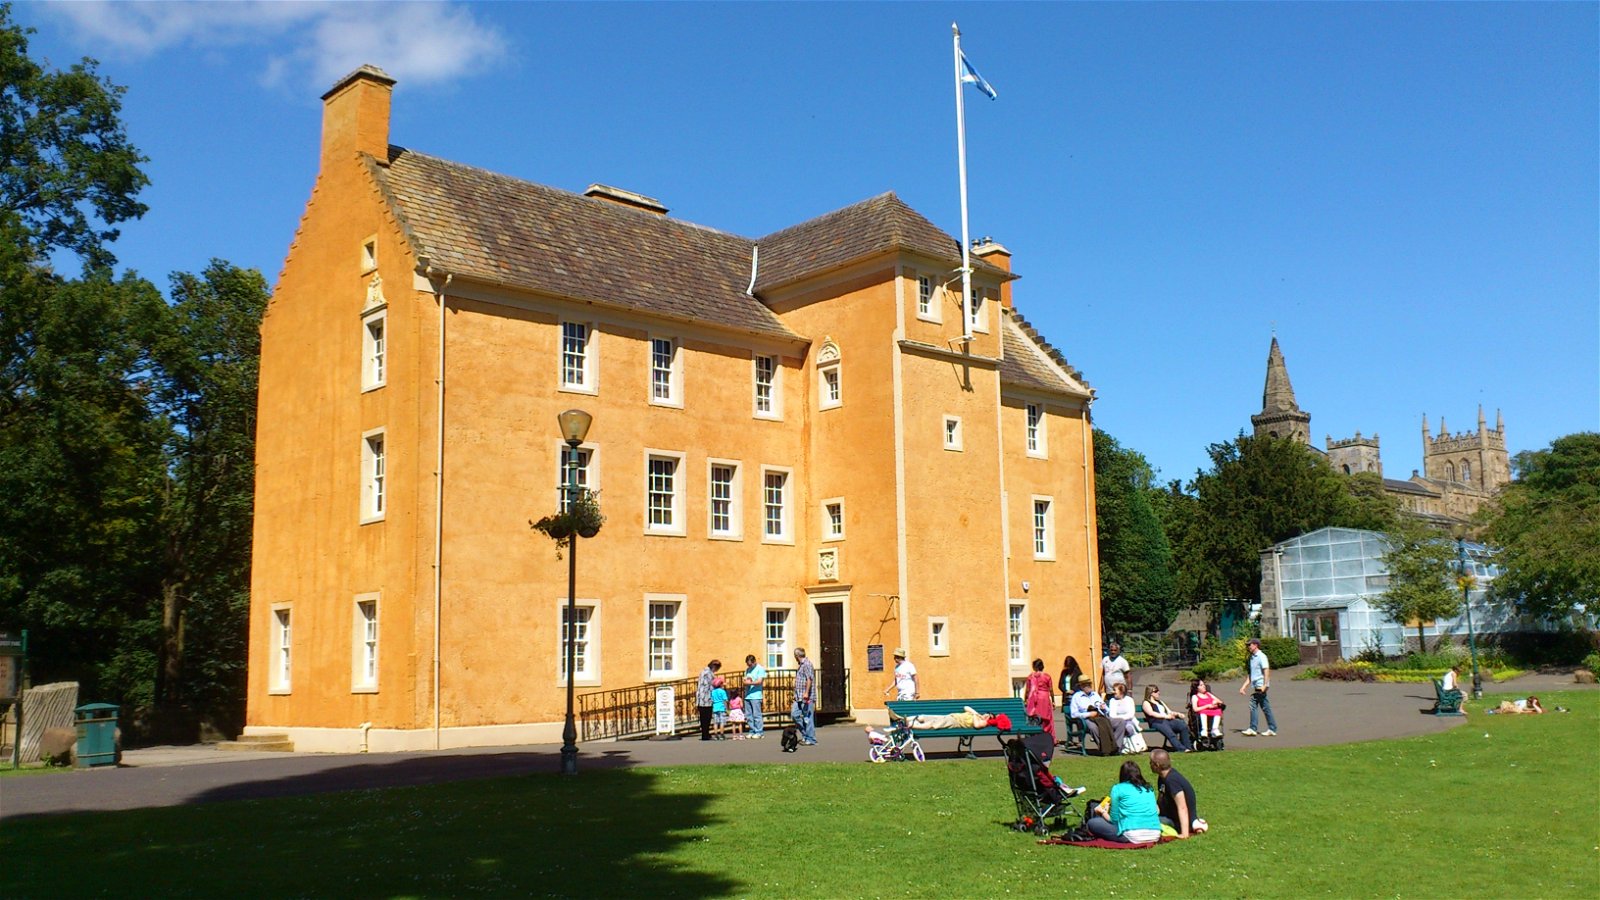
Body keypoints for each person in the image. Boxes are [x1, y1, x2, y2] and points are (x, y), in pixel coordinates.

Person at [1084, 759, 1162, 843]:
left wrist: (1103, 812)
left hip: (1132, 835)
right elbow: (1156, 811)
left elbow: (1114, 820)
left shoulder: (1118, 788)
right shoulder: (1148, 788)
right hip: (1155, 833)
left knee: (1093, 823)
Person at [1148, 748, 1204, 838]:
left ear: (1157, 765)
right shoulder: (1162, 778)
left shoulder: (1172, 780)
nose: (1149, 764)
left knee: (1144, 823)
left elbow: (1182, 807)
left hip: (1175, 821)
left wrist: (1184, 834)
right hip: (1168, 816)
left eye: (1151, 762)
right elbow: (1160, 799)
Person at [1238, 638, 1278, 736]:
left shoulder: (1261, 656)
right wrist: (1244, 686)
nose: (1248, 647)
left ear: (1255, 645)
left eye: (1249, 645)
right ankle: (1272, 728)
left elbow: (1266, 671)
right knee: (1265, 707)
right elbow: (1251, 675)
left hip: (1261, 685)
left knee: (1254, 703)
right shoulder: (1251, 658)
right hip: (1256, 684)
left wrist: (1265, 685)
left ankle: (1253, 728)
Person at [1068, 682, 1117, 757]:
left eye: (1089, 684)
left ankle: (1115, 747)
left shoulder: (1095, 694)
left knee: (1118, 722)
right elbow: (1074, 714)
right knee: (1093, 727)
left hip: (1101, 716)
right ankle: (1104, 749)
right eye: (1086, 685)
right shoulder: (1076, 697)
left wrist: (1104, 708)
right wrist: (1089, 714)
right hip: (1086, 719)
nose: (1088, 686)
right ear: (1081, 687)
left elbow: (1106, 708)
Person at [1142, 685, 1194, 752]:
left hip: (1167, 720)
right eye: (1156, 691)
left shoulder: (1160, 702)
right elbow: (1151, 713)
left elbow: (1169, 711)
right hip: (1157, 722)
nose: (1158, 692)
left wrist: (1177, 714)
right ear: (1150, 693)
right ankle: (1182, 749)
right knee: (1171, 734)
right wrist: (1165, 716)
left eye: (1158, 691)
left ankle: (1188, 747)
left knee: (1183, 726)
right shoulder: (1146, 702)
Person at [1024, 658, 1057, 746]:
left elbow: (1027, 690)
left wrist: (1025, 699)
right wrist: (1053, 701)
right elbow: (1051, 690)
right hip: (1044, 698)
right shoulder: (1047, 676)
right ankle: (1047, 738)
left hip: (1033, 699)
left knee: (1034, 718)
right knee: (1047, 719)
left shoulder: (1030, 677)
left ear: (1034, 667)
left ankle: (1035, 737)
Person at [792, 647, 818, 746]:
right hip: (798, 696)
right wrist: (796, 694)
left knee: (808, 718)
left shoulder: (807, 664)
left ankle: (811, 739)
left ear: (797, 656)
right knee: (795, 715)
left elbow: (809, 679)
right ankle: (805, 734)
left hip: (807, 697)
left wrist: (806, 693)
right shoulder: (801, 665)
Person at [1106, 682, 1139, 752]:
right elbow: (1112, 715)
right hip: (1117, 722)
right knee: (1120, 725)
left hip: (1129, 721)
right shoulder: (1112, 701)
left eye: (1115, 690)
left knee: (1128, 728)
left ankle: (1131, 746)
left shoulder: (1129, 700)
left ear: (1121, 691)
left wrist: (1120, 718)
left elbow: (1131, 714)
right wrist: (1121, 720)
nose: (1113, 692)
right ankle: (1117, 747)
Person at [1190, 679, 1224, 745]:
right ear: (1197, 688)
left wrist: (1215, 701)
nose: (1204, 686)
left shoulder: (1208, 694)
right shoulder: (1195, 697)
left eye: (1203, 684)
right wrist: (1207, 706)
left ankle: (1215, 730)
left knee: (1218, 710)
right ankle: (1204, 731)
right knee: (1203, 712)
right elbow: (1195, 709)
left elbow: (1220, 702)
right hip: (1202, 712)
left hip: (1213, 711)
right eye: (1201, 685)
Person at [695, 659, 722, 742]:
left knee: (703, 717)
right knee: (706, 717)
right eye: (717, 669)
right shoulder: (708, 673)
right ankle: (705, 734)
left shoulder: (703, 671)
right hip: (706, 698)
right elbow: (710, 685)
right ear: (714, 667)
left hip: (701, 698)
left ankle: (705, 733)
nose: (716, 671)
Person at [743, 654, 767, 739]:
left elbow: (759, 681)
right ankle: (752, 730)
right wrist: (745, 682)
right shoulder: (747, 670)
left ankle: (759, 732)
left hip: (756, 695)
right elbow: (745, 679)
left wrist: (749, 683)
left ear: (754, 662)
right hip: (748, 695)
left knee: (757, 715)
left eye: (750, 664)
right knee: (748, 715)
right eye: (748, 664)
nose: (749, 666)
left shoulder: (760, 669)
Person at [710, 676, 729, 740]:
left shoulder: (713, 692)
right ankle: (721, 734)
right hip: (721, 708)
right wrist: (726, 708)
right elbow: (725, 700)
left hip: (715, 708)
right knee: (722, 722)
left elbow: (712, 700)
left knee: (715, 723)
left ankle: (715, 735)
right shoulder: (722, 691)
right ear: (720, 684)